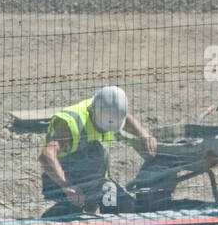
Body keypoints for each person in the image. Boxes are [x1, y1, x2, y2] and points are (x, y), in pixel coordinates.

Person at [39, 85, 158, 217]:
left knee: (124, 206)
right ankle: (55, 218)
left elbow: (124, 116)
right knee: (70, 216)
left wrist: (144, 134)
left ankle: (92, 205)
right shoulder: (71, 122)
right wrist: (67, 186)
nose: (105, 131)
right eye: (102, 127)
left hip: (97, 180)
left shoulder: (106, 108)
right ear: (93, 112)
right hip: (62, 179)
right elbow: (46, 155)